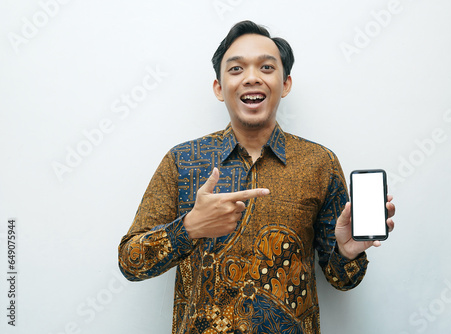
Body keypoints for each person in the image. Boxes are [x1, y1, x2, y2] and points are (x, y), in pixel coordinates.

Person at [118, 20, 395, 334]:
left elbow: (342, 280)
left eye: (266, 67)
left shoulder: (320, 164)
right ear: (219, 88)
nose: (251, 78)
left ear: (285, 83)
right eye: (236, 69)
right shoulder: (181, 162)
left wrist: (346, 251)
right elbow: (131, 263)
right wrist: (189, 228)